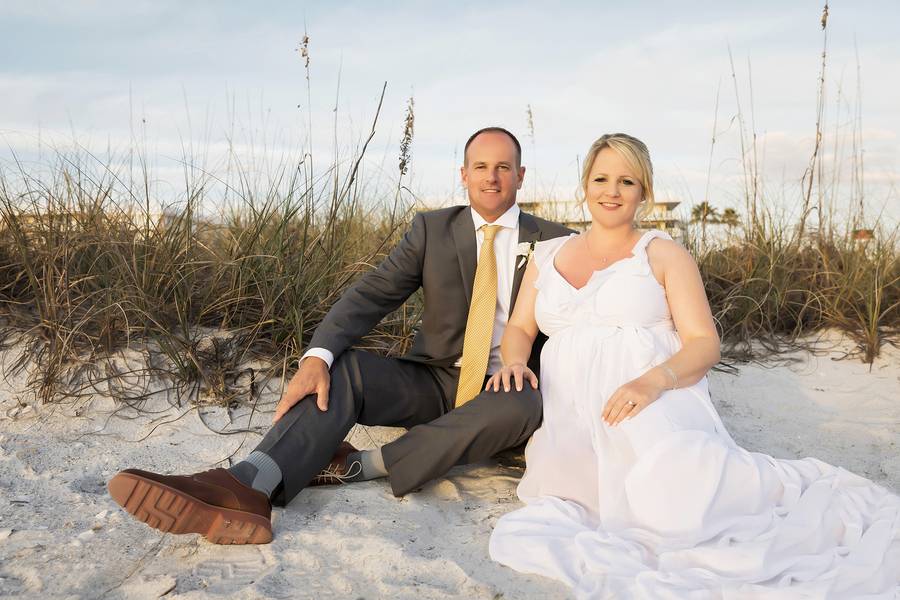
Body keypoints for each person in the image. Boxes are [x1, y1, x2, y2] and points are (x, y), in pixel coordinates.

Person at [107, 127, 572, 544]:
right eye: (481, 167)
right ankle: (249, 484)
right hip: (435, 382)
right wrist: (317, 356)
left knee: (527, 400)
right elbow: (371, 294)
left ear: (521, 174)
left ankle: (360, 466)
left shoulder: (557, 240)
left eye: (503, 167)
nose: (492, 177)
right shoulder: (432, 229)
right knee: (345, 368)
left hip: (508, 392)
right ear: (464, 174)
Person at [487, 133, 900, 598]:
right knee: (571, 503)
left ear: (644, 191)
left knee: (678, 506)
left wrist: (651, 383)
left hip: (650, 407)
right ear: (586, 184)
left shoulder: (663, 254)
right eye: (602, 178)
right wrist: (516, 363)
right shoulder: (549, 255)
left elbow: (705, 344)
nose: (612, 190)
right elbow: (520, 328)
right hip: (573, 422)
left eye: (627, 180)